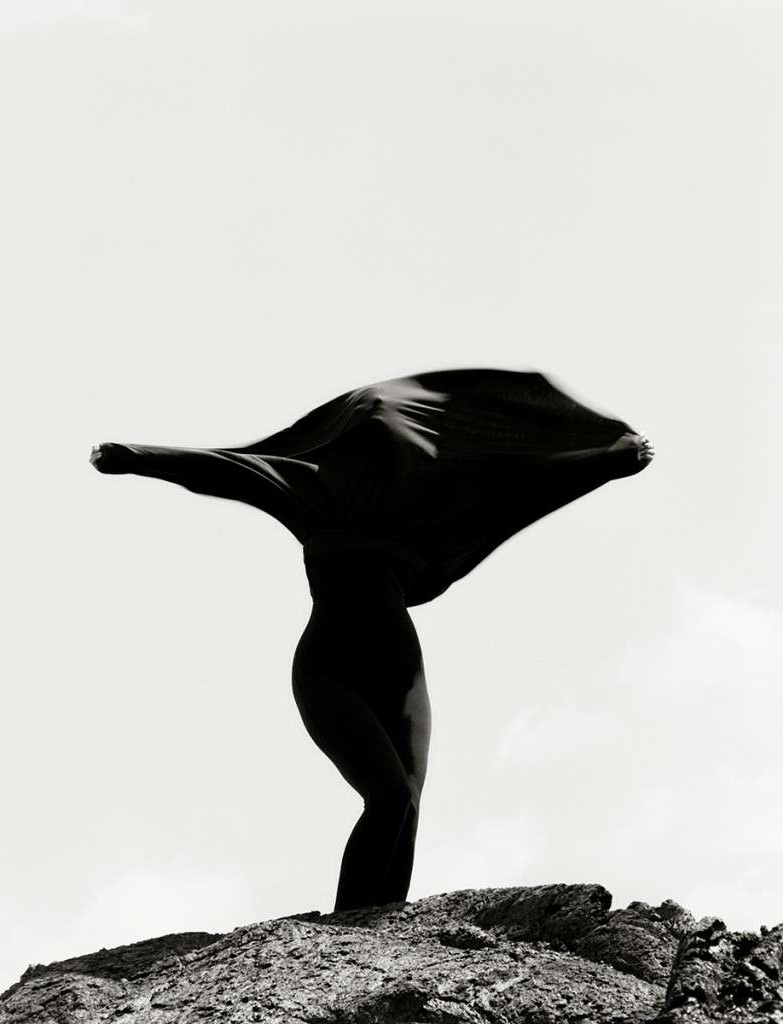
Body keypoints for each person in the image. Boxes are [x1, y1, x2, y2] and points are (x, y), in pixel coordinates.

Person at [89, 367, 654, 911]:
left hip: (399, 670)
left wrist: (607, 461)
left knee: (405, 806)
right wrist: (131, 458)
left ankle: (381, 929)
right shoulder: (312, 488)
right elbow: (224, 471)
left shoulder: (425, 506)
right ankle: (345, 937)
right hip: (328, 671)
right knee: (387, 798)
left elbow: (522, 486)